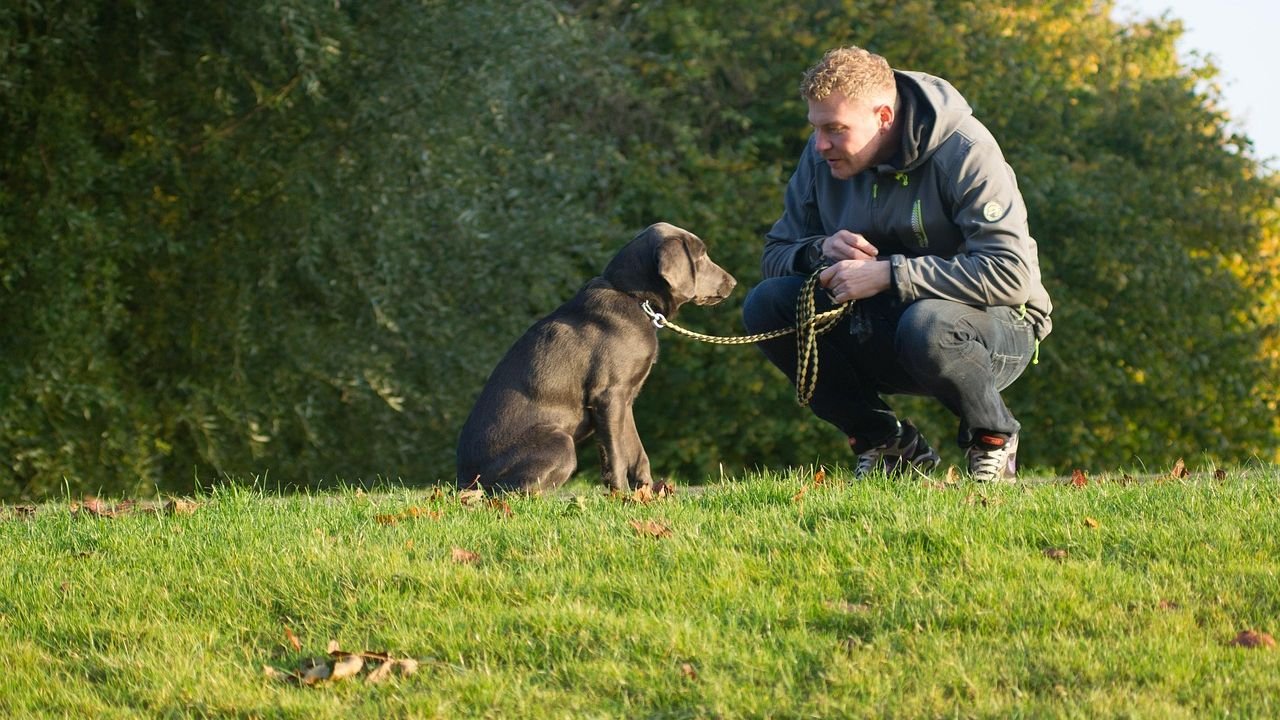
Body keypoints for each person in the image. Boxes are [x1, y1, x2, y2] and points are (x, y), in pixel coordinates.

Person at [742, 46, 1052, 482]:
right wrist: (821, 249)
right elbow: (775, 255)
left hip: (992, 330)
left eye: (835, 130)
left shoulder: (965, 151)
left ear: (884, 117)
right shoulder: (820, 158)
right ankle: (887, 443)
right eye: (815, 128)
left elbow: (1010, 274)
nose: (820, 144)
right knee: (766, 304)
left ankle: (993, 439)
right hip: (885, 329)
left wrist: (890, 274)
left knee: (927, 324)